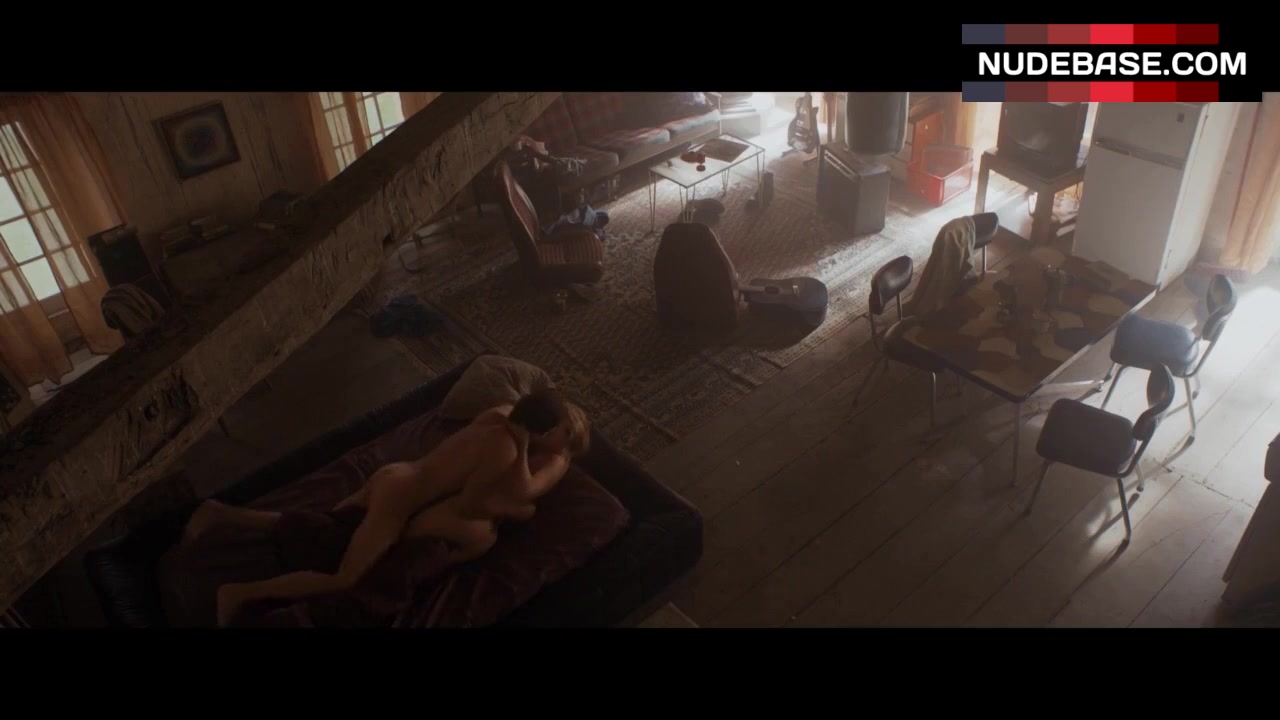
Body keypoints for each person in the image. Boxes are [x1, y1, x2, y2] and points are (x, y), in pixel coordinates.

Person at [178, 389, 591, 627]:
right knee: (344, 578)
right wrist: (519, 499)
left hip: (396, 475)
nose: (558, 447)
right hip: (400, 500)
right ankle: (240, 593)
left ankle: (221, 514)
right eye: (560, 434)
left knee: (327, 528)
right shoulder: (507, 450)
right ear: (540, 429)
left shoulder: (497, 412)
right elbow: (471, 502)